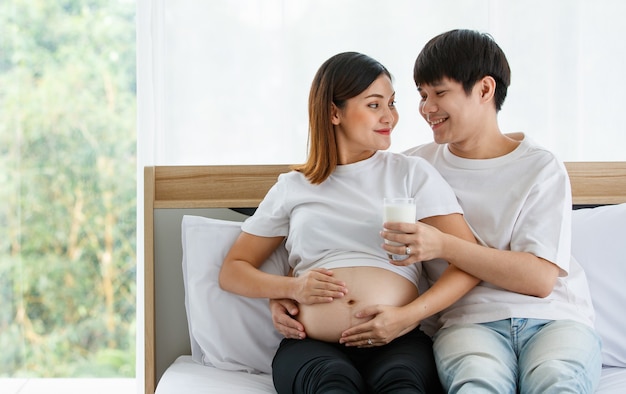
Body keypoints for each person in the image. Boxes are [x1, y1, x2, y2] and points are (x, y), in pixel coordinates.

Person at [272, 30, 603, 393]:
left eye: (439, 93)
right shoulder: (410, 167)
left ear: (484, 90)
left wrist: (444, 246)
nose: (426, 108)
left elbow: (540, 280)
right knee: (477, 384)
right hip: (468, 323)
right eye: (422, 95)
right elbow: (334, 227)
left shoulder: (540, 167)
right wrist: (287, 293)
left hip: (553, 318)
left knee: (557, 381)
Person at [219, 51, 481, 393]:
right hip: (312, 346)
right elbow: (233, 270)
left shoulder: (411, 173)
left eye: (392, 103)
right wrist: (289, 289)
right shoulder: (293, 186)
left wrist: (408, 316)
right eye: (374, 105)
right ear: (333, 112)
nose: (391, 116)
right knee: (331, 384)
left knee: (403, 386)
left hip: (398, 340)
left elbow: (468, 261)